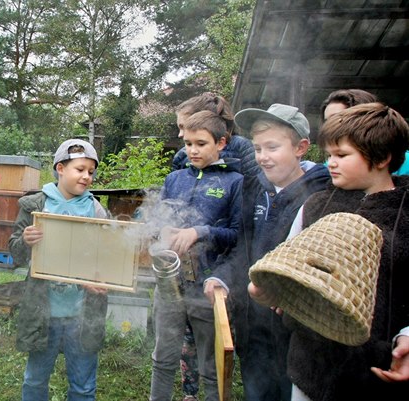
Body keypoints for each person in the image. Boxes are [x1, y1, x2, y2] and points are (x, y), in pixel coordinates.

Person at [249, 102, 409, 400]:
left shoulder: (405, 212)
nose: (330, 163)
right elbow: (289, 266)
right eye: (329, 155)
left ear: (382, 157)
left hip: (375, 371)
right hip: (309, 365)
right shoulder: (317, 205)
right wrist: (270, 289)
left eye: (342, 155)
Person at [203, 103, 330, 401]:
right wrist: (221, 277)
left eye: (272, 147)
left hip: (296, 337)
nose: (262, 157)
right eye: (258, 148)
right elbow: (243, 248)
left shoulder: (321, 197)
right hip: (253, 329)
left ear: (301, 147)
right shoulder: (254, 189)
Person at [171, 92, 260, 401]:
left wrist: (205, 232)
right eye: (184, 135)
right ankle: (189, 393)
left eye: (189, 129)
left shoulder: (242, 160)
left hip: (223, 266)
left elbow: (241, 221)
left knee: (214, 341)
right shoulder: (184, 157)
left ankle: (216, 390)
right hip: (186, 269)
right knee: (187, 341)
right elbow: (174, 196)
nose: (184, 138)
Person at [150, 110, 243, 401]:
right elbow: (155, 221)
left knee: (210, 367)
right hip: (169, 284)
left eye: (201, 143)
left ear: (221, 143)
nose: (192, 150)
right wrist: (161, 228)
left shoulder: (235, 182)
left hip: (208, 288)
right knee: (162, 359)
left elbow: (239, 236)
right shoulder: (175, 178)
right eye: (188, 143)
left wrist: (200, 231)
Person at [9, 139, 109, 401]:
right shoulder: (35, 206)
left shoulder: (96, 210)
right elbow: (15, 252)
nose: (87, 176)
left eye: (91, 171)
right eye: (80, 169)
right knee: (35, 381)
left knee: (83, 385)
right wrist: (25, 241)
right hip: (44, 313)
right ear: (60, 168)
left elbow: (106, 259)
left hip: (82, 313)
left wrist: (98, 278)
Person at [320, 89, 409, 175]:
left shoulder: (406, 165)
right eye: (326, 121)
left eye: (337, 119)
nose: (329, 127)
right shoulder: (327, 170)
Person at [173, 92, 260, 177]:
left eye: (183, 127)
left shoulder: (242, 148)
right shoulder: (181, 156)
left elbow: (258, 185)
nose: (180, 135)